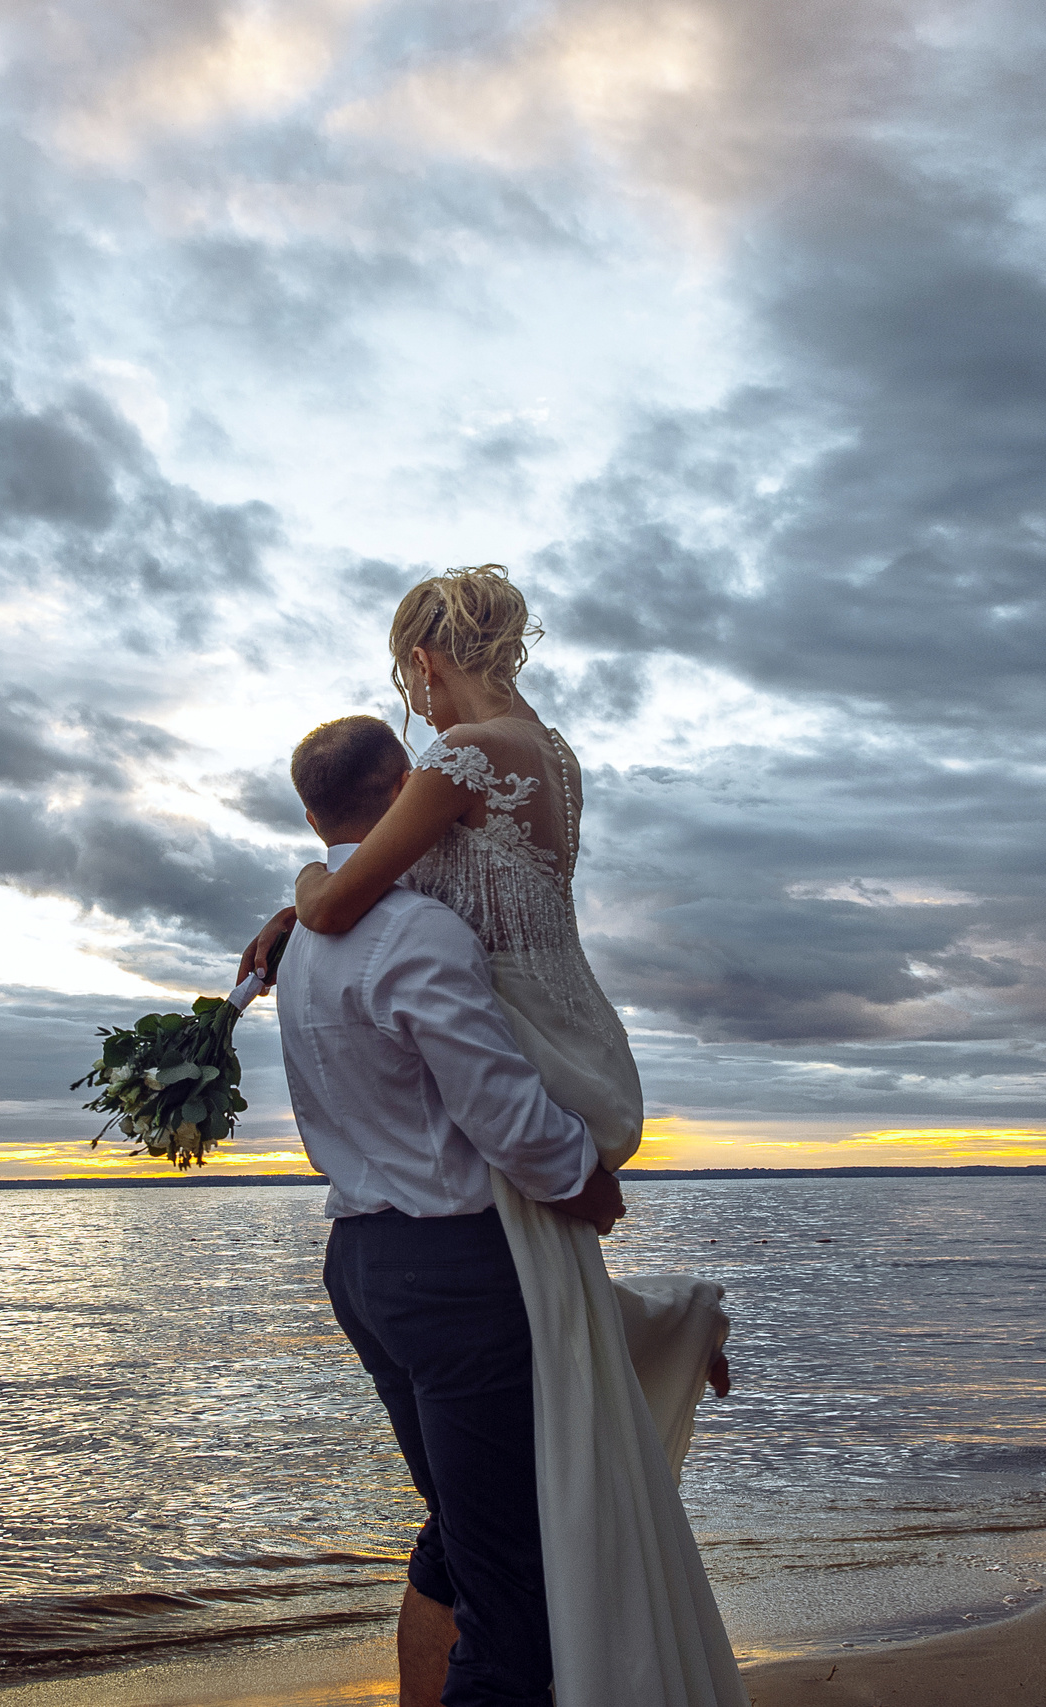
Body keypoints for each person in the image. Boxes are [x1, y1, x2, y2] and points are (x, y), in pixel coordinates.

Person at [246, 567, 744, 1707]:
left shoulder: (466, 766)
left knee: (498, 1563)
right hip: (516, 1103)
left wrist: (300, 898)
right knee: (493, 1536)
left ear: (422, 662)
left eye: (407, 678)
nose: (414, 706)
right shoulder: (539, 759)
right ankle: (668, 1328)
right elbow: (394, 892)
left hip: (403, 1229)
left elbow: (340, 901)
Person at [277, 712, 625, 1707]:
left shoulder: (300, 942)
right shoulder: (420, 931)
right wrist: (584, 1184)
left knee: (462, 1528)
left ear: (312, 815)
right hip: (455, 1274)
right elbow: (500, 1108)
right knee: (512, 1583)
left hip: (360, 1268)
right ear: (400, 795)